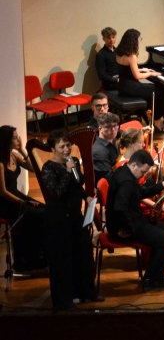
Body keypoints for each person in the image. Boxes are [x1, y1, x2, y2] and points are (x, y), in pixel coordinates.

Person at [41, 130, 101, 310]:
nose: (66, 149)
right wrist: (68, 172)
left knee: (83, 253)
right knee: (63, 260)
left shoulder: (72, 162)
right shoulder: (48, 168)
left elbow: (77, 185)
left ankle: (86, 292)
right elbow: (57, 193)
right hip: (59, 219)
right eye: (62, 147)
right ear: (53, 149)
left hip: (75, 215)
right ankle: (64, 300)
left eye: (68, 145)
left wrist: (86, 196)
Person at [107, 149, 164, 289]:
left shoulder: (124, 171)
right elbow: (119, 208)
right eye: (143, 172)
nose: (143, 175)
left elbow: (140, 192)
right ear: (134, 165)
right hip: (123, 227)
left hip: (131, 220)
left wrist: (160, 186)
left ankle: (155, 274)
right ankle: (151, 280)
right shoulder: (126, 182)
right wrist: (129, 230)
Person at [115, 128, 164, 263]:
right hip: (133, 215)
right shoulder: (124, 171)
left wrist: (156, 179)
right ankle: (159, 261)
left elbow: (139, 189)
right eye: (141, 142)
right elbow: (125, 203)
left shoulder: (132, 166)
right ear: (132, 145)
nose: (144, 145)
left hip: (136, 210)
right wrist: (154, 204)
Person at [0, 125, 46, 271]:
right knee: (39, 215)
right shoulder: (0, 164)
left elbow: (32, 168)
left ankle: (39, 254)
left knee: (45, 209)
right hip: (6, 202)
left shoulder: (14, 155)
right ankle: (27, 259)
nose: (18, 140)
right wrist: (25, 202)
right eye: (15, 138)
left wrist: (22, 151)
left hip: (17, 197)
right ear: (6, 140)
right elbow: (3, 192)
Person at [114, 28, 164, 130]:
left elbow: (127, 70)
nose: (139, 41)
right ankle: (156, 119)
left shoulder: (119, 53)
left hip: (122, 87)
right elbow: (137, 76)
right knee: (160, 90)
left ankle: (149, 117)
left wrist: (144, 70)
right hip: (131, 88)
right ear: (133, 40)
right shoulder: (131, 56)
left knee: (151, 89)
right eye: (139, 39)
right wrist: (150, 73)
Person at [91, 112, 120, 183]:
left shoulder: (113, 140)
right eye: (108, 127)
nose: (113, 129)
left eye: (115, 126)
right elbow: (109, 178)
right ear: (100, 129)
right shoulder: (98, 151)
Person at [95, 27, 119, 92]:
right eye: (108, 38)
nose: (111, 40)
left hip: (120, 79)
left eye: (113, 37)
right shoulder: (100, 54)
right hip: (110, 83)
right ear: (103, 39)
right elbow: (102, 75)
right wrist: (116, 80)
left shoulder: (118, 51)